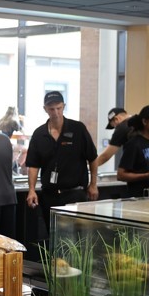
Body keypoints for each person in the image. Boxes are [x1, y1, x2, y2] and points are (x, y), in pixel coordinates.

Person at [25, 91, 99, 229]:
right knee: (53, 234)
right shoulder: (39, 134)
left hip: (75, 193)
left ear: (64, 106)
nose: (55, 113)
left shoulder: (78, 129)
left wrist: (93, 184)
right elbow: (33, 165)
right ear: (45, 109)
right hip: (50, 195)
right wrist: (32, 190)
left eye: (58, 108)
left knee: (77, 234)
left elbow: (93, 158)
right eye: (51, 109)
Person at [92, 106, 129, 172]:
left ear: (116, 119)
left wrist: (89, 166)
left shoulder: (122, 127)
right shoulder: (140, 121)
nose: (116, 128)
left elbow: (105, 156)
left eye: (114, 126)